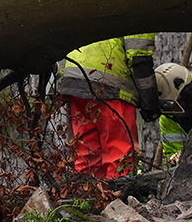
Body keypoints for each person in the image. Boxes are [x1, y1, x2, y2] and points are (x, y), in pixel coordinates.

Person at [56, 35, 160, 178]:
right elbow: (139, 58)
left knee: (87, 155)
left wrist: (62, 85)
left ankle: (86, 190)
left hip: (74, 80)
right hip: (112, 85)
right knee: (120, 156)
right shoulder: (136, 20)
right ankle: (120, 190)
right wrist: (149, 102)